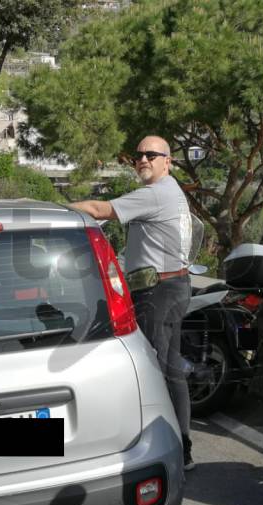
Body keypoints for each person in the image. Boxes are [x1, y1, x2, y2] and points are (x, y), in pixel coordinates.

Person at [69, 135, 196, 470]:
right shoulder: (167, 191)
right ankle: (182, 448)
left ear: (167, 161)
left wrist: (54, 208)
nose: (142, 160)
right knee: (171, 368)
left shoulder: (157, 192)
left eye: (151, 155)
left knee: (160, 372)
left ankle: (174, 451)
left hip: (160, 291)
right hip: (170, 286)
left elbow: (99, 210)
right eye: (138, 155)